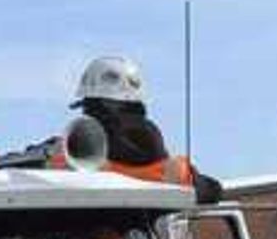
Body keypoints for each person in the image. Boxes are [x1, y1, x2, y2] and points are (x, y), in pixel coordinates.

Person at [66, 55, 227, 203]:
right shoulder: (170, 169)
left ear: (96, 106)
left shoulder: (73, 153)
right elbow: (213, 190)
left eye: (88, 107)